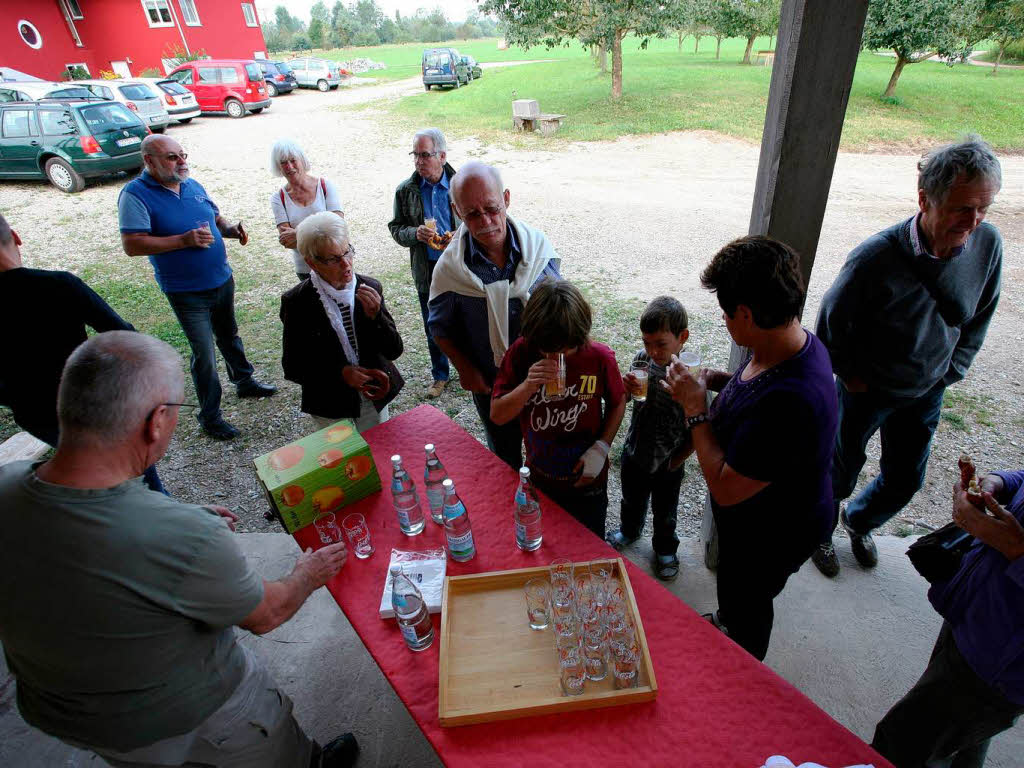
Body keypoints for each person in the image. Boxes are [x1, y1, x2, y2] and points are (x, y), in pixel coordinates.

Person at [0, 331, 358, 768]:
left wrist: (174, 521)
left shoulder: (7, 485)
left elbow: (92, 539)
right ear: (156, 421)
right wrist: (307, 572)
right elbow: (268, 613)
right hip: (194, 718)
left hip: (72, 716)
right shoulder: (184, 537)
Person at [812, 137, 1003, 577]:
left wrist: (950, 372)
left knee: (905, 479)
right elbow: (830, 327)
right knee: (837, 471)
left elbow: (981, 314)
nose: (973, 222)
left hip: (927, 389)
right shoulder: (873, 259)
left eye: (983, 209)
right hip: (867, 392)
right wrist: (853, 378)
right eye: (960, 208)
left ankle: (858, 521)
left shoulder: (987, 244)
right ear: (925, 199)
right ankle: (821, 532)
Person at [663, 236, 838, 661]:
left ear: (745, 313)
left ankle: (739, 659)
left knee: (748, 602)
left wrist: (695, 407)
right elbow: (755, 386)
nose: (724, 321)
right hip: (765, 514)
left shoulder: (793, 399)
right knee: (736, 591)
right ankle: (729, 622)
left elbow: (725, 487)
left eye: (726, 313)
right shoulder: (785, 343)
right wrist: (721, 382)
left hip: (774, 531)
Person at [118, 134, 276, 441]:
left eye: (182, 155)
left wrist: (231, 230)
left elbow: (214, 218)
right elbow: (132, 244)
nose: (182, 162)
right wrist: (183, 241)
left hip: (220, 278)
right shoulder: (135, 195)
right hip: (186, 290)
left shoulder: (192, 185)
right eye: (172, 157)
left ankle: (244, 382)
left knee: (229, 336)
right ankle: (210, 416)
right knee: (204, 354)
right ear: (149, 161)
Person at [0, 213, 165, 494]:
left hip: (39, 417)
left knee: (100, 480)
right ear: (15, 237)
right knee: (143, 486)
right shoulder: (59, 285)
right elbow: (127, 338)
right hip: (94, 408)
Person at [870, 466, 1024, 767]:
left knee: (900, 742)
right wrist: (998, 483)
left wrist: (1016, 549)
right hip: (977, 616)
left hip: (998, 666)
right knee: (957, 737)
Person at [428, 161, 562, 470]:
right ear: (457, 211)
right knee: (505, 456)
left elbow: (562, 311)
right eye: (472, 214)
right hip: (492, 382)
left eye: (492, 208)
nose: (486, 221)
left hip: (544, 376)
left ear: (506, 199)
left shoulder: (538, 249)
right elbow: (439, 327)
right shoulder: (451, 271)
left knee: (550, 447)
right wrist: (464, 368)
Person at [491, 280, 625, 539]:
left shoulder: (598, 357)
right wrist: (528, 385)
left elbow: (618, 401)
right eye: (546, 350)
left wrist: (601, 448)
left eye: (564, 350)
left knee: (589, 539)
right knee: (549, 541)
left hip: (588, 481)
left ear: (580, 334)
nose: (555, 358)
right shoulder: (521, 353)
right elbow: (497, 415)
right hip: (541, 477)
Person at [281, 212, 404, 433]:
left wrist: (377, 317)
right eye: (333, 259)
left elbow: (394, 350)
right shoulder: (297, 302)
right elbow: (293, 366)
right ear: (312, 262)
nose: (346, 264)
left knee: (379, 455)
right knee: (344, 462)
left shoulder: (369, 288)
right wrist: (340, 373)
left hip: (372, 397)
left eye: (347, 251)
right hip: (330, 404)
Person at [606, 296, 693, 581]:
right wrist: (627, 387)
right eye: (647, 342)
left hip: (668, 458)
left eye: (661, 344)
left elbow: (698, 426)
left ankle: (665, 548)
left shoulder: (688, 376)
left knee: (665, 510)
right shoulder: (641, 361)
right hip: (636, 449)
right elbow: (628, 398)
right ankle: (630, 530)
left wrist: (678, 460)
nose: (652, 351)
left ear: (682, 338)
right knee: (632, 499)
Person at [388, 128, 460, 399]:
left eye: (425, 155)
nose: (419, 161)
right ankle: (440, 375)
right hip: (427, 269)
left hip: (459, 266)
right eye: (415, 155)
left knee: (466, 318)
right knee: (434, 324)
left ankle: (469, 368)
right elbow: (396, 228)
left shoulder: (460, 183)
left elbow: (477, 219)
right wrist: (414, 233)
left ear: (442, 156)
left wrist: (459, 235)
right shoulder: (406, 191)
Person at [269, 138, 344, 281]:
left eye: (293, 160)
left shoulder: (325, 186)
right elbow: (288, 241)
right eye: (283, 163)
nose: (289, 166)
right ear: (278, 167)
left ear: (302, 160)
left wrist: (298, 233)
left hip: (336, 264)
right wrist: (323, 228)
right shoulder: (278, 199)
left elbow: (338, 226)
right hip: (305, 269)